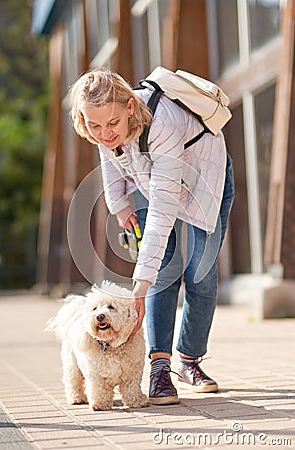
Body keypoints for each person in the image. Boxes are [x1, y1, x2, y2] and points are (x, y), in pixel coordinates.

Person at [70, 67, 235, 405]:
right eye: (94, 126)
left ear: (130, 106)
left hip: (204, 180)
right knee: (163, 272)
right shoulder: (106, 126)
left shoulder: (164, 123)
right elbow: (110, 158)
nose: (104, 133)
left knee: (199, 273)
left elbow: (163, 210)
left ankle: (189, 360)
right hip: (152, 178)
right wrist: (119, 206)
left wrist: (139, 284)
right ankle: (160, 365)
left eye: (112, 124)